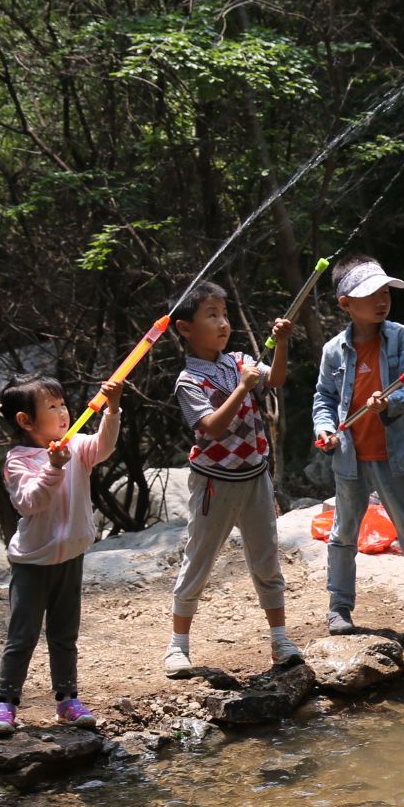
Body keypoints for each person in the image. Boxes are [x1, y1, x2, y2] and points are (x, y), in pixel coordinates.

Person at [162, 282, 302, 677]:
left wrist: (282, 343)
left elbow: (274, 379)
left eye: (224, 314)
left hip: (256, 477)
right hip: (214, 484)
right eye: (211, 315)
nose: (223, 323)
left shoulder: (239, 359)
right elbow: (210, 428)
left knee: (266, 557)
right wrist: (242, 387)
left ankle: (279, 639)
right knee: (199, 559)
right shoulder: (189, 381)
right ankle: (178, 646)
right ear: (185, 328)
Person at [311, 254, 404, 645]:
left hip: (395, 456)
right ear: (345, 304)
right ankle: (339, 607)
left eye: (385, 291)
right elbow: (323, 397)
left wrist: (390, 401)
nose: (381, 300)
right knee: (343, 535)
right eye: (371, 293)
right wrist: (324, 428)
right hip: (349, 458)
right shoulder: (334, 351)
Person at [0, 373, 124, 736]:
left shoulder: (77, 445)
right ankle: (5, 702)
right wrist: (54, 467)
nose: (63, 412)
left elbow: (104, 446)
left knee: (65, 634)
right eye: (52, 407)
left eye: (63, 404)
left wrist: (112, 409)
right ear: (25, 421)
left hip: (70, 556)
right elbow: (30, 503)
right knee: (23, 634)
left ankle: (67, 699)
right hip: (33, 562)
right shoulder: (19, 460)